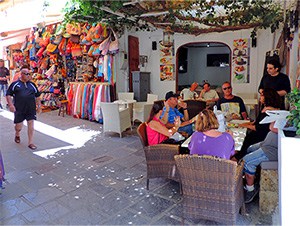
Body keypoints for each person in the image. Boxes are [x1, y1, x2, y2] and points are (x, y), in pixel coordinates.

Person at [232, 88, 281, 161]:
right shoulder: (265, 108)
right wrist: (243, 124)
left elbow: (259, 128)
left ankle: (237, 158)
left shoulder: (270, 112)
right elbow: (256, 122)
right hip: (257, 133)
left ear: (267, 97)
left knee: (246, 139)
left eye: (262, 95)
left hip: (261, 136)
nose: (260, 97)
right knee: (245, 137)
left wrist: (245, 125)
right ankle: (238, 154)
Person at [6, 65, 42, 150]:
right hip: (19, 109)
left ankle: (30, 142)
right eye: (27, 74)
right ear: (21, 74)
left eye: (29, 74)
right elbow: (8, 95)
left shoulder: (32, 85)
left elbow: (37, 96)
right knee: (19, 126)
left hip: (30, 108)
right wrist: (11, 105)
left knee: (31, 123)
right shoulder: (15, 84)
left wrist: (39, 106)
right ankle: (17, 134)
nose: (29, 76)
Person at [243, 122, 278, 203]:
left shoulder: (295, 121)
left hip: (271, 150)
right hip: (266, 144)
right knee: (249, 148)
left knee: (246, 162)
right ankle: (252, 177)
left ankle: (250, 190)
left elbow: (272, 127)